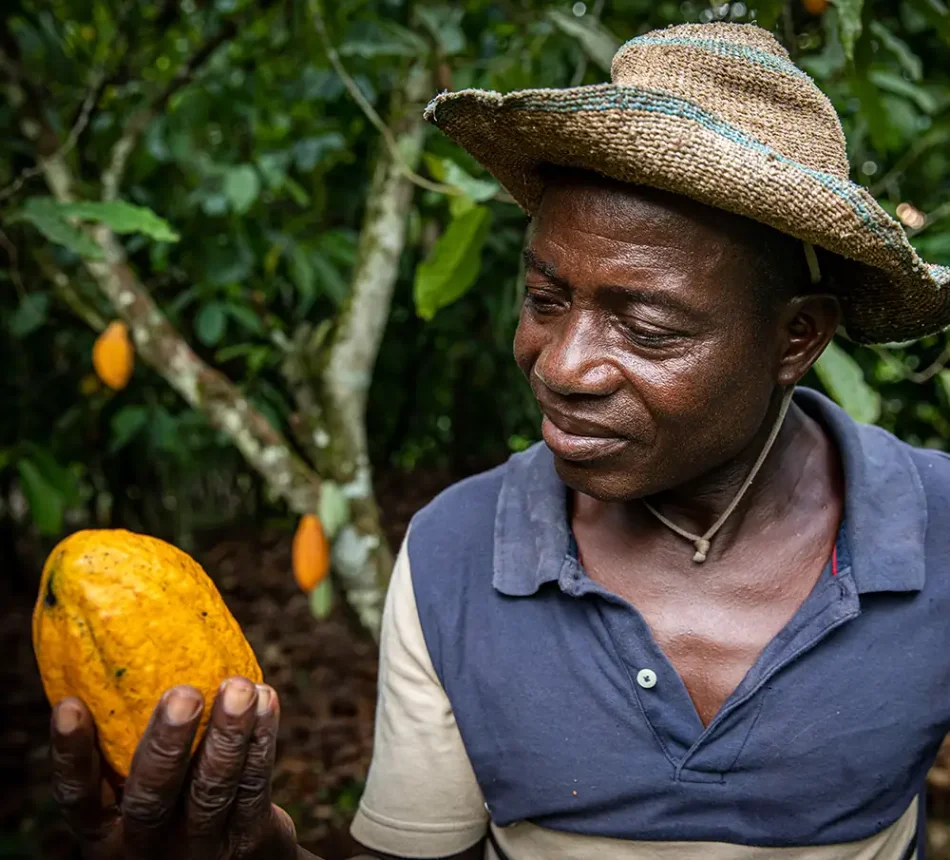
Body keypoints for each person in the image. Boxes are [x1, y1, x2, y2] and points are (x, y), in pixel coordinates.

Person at [47, 20, 950, 860]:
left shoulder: (940, 529)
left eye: (647, 327)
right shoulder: (455, 551)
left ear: (798, 338)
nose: (561, 366)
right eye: (545, 299)